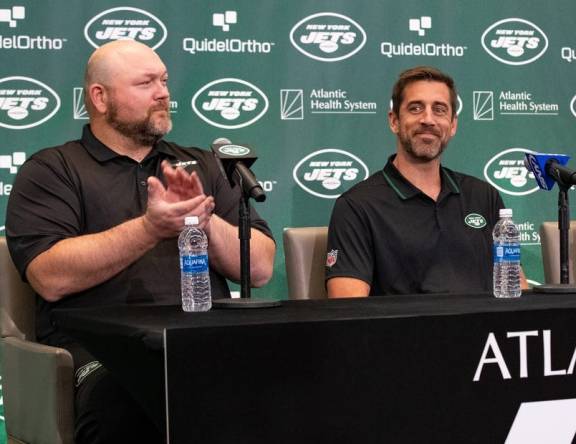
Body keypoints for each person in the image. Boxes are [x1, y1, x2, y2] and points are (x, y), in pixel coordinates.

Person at [5, 40, 275, 443]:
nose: (163, 92)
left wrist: (201, 218)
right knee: (133, 399)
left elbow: (259, 267)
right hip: (102, 353)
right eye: (146, 82)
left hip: (202, 340)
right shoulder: (53, 170)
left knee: (288, 384)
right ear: (100, 97)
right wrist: (149, 227)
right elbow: (49, 276)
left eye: (164, 80)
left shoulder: (201, 164)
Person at [325, 66, 527, 298]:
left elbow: (515, 286)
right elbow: (348, 309)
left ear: (452, 126)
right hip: (404, 334)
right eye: (415, 108)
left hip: (485, 332)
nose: (428, 119)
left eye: (439, 110)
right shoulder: (357, 206)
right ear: (394, 121)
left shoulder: (483, 196)